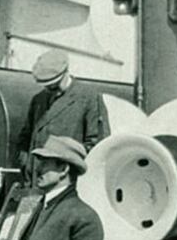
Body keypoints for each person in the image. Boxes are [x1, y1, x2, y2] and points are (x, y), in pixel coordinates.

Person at [16, 49, 109, 184]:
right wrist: (26, 164)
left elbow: (98, 146)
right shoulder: (38, 100)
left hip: (68, 182)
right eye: (46, 86)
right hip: (36, 181)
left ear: (66, 72)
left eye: (54, 85)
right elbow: (25, 137)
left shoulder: (88, 98)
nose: (49, 90)